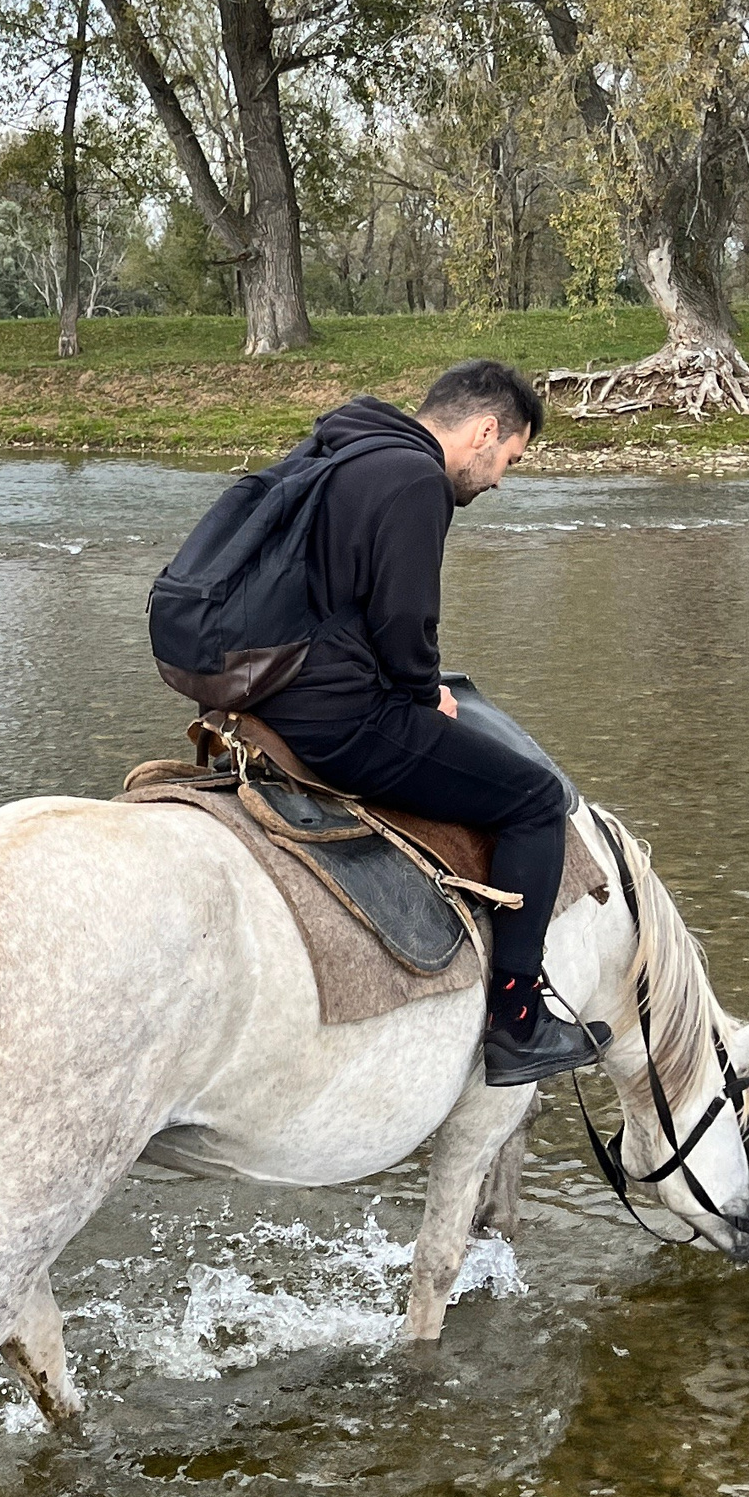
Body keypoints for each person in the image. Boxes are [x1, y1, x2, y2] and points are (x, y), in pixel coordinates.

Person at [248, 359, 607, 1088]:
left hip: (268, 692)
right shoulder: (416, 480)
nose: (501, 479)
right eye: (508, 458)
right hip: (339, 717)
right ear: (483, 431)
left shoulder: (343, 445)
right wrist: (420, 689)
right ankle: (518, 1019)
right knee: (534, 798)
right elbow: (405, 620)